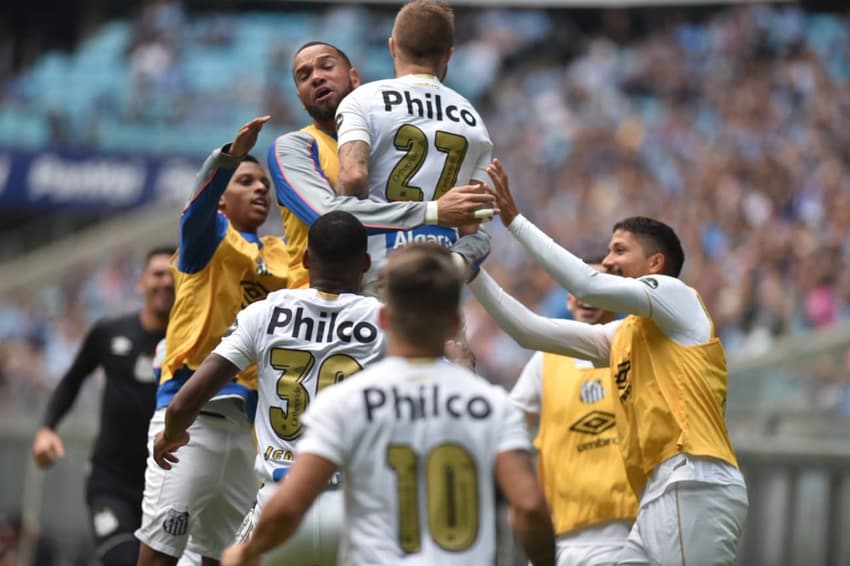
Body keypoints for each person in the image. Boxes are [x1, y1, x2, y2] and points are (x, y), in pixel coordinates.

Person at [465, 160, 748, 565]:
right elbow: (529, 331)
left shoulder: (677, 297)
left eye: (619, 250)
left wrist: (514, 221)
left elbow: (586, 283)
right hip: (656, 493)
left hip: (693, 480)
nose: (609, 260)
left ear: (655, 265)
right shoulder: (623, 334)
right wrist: (473, 270)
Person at [218, 244, 556, 566]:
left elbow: (290, 505)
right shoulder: (492, 405)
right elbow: (528, 507)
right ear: (455, 322)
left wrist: (249, 553)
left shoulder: (346, 402)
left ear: (383, 318)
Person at [152, 211, 384, 566]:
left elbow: (186, 402)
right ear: (366, 263)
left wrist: (171, 433)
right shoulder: (386, 320)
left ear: (305, 259)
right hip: (355, 507)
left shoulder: (266, 312)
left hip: (280, 505)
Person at [135, 116, 289, 566]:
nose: (260, 188)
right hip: (190, 422)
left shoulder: (281, 255)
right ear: (222, 198)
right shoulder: (210, 239)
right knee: (160, 553)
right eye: (246, 181)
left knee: (226, 556)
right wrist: (226, 159)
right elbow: (196, 207)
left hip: (249, 431)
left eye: (264, 182)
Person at [269, 40, 494, 290]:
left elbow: (473, 230)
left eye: (327, 67)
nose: (316, 78)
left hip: (397, 295)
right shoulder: (295, 147)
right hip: (316, 308)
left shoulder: (389, 146)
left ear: (355, 77)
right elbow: (328, 217)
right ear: (301, 99)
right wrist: (432, 212)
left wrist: (456, 260)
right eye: (304, 76)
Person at [334, 0, 496, 290]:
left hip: (377, 270)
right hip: (437, 275)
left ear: (392, 47)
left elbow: (353, 176)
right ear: (448, 55)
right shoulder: (473, 119)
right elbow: (472, 225)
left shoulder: (363, 99)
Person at [31, 246, 175, 566]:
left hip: (170, 485)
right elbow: (71, 380)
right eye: (157, 274)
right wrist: (46, 429)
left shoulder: (190, 342)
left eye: (173, 274)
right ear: (141, 283)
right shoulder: (110, 333)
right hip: (112, 484)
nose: (165, 282)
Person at [510, 260, 637, 566]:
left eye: (595, 286)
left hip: (624, 536)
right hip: (557, 538)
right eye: (579, 288)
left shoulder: (635, 352)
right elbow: (509, 421)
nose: (586, 295)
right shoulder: (546, 359)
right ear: (569, 299)